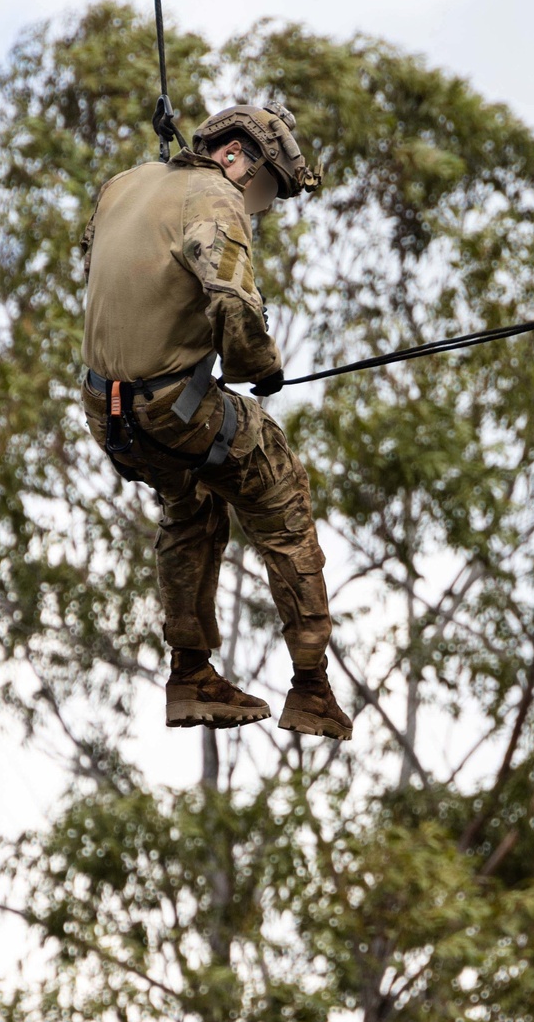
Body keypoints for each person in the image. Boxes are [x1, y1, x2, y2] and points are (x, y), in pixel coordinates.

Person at [79, 103, 352, 742]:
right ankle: (311, 688)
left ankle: (191, 674)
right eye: (265, 190)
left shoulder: (123, 185)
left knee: (193, 507)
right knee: (279, 486)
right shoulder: (215, 198)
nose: (259, 205)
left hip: (107, 409)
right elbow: (232, 296)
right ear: (237, 156)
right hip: (171, 408)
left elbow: (103, 267)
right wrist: (259, 364)